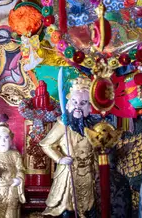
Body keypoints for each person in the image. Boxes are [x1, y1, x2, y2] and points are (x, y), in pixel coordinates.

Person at [40, 77, 99, 218]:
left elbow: (96, 150)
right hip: (68, 172)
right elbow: (46, 144)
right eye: (74, 102)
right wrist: (60, 158)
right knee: (66, 210)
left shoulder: (92, 127)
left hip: (87, 173)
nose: (78, 106)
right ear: (67, 105)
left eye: (83, 103)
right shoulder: (63, 125)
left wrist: (97, 168)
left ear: (90, 107)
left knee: (88, 208)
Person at [0, 114, 25, 218]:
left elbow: (21, 169)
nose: (3, 141)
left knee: (10, 214)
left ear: (11, 140)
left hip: (12, 189)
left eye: (6, 138)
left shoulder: (15, 154)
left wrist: (19, 179)